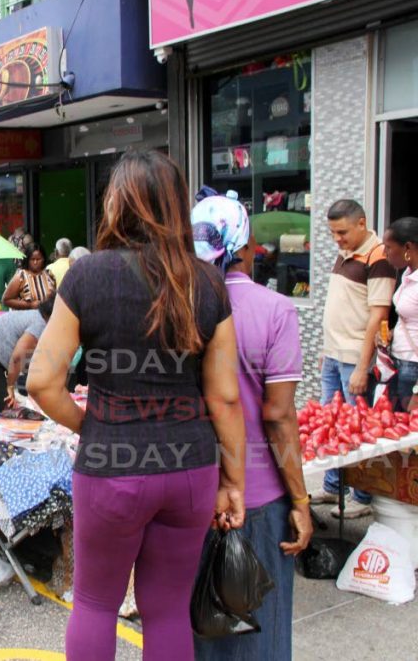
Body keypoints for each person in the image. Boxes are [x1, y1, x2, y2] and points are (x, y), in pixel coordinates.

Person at [26, 150, 246, 661]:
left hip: (111, 465)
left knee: (96, 603)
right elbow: (225, 397)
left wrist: (90, 423)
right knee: (167, 610)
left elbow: (42, 382)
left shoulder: (86, 277)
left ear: (115, 205)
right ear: (175, 207)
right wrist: (234, 481)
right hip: (190, 467)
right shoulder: (209, 283)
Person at [191, 196, 313, 661]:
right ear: (243, 246)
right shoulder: (275, 310)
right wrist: (301, 502)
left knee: (199, 629)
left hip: (190, 492)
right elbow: (279, 416)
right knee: (258, 634)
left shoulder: (178, 309)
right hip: (258, 499)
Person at [313, 199, 395, 518]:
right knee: (331, 423)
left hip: (354, 360)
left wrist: (363, 367)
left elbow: (378, 314)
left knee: (358, 428)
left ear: (362, 224)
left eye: (342, 232)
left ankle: (361, 495)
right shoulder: (345, 252)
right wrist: (325, 351)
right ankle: (334, 486)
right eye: (333, 233)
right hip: (334, 355)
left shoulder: (378, 257)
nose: (337, 239)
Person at [381, 217, 418, 412]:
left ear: (408, 248)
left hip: (414, 368)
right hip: (400, 363)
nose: (384, 252)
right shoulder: (407, 275)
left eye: (388, 247)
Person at [3, 243, 56, 310]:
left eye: (38, 259)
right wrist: (29, 305)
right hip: (26, 317)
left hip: (46, 318)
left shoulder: (49, 275)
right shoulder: (21, 276)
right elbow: (6, 300)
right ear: (27, 260)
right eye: (32, 259)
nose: (35, 262)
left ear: (43, 259)